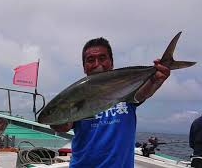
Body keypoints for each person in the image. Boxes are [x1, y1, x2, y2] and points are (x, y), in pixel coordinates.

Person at [50, 38, 171, 167]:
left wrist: (156, 80)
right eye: (91, 60)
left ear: (111, 63)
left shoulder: (127, 90)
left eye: (102, 58)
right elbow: (64, 126)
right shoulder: (77, 94)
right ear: (84, 67)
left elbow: (145, 92)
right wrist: (55, 120)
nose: (97, 64)